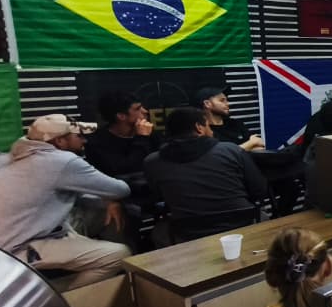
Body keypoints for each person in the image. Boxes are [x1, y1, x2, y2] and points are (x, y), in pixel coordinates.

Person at [0, 114, 130, 289]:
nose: (84, 140)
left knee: (100, 212)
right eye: (78, 136)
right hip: (12, 249)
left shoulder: (20, 157)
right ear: (60, 141)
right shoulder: (61, 161)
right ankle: (63, 298)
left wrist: (107, 202)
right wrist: (111, 199)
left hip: (10, 240)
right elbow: (120, 189)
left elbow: (71, 192)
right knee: (118, 255)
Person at [144, 107, 267, 238]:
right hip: (242, 225)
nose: (212, 131)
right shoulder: (231, 151)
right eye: (208, 126)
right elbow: (259, 190)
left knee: (158, 233)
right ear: (199, 127)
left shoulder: (152, 162)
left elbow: (158, 196)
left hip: (189, 233)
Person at [84, 90, 160, 177]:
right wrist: (142, 138)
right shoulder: (97, 142)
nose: (145, 111)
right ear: (121, 116)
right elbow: (125, 169)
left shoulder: (148, 132)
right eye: (137, 109)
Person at [196, 86, 265, 151]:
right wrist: (250, 144)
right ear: (207, 104)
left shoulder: (236, 124)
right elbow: (218, 155)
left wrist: (249, 145)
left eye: (227, 100)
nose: (227, 104)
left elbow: (259, 145)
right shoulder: (205, 131)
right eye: (222, 100)